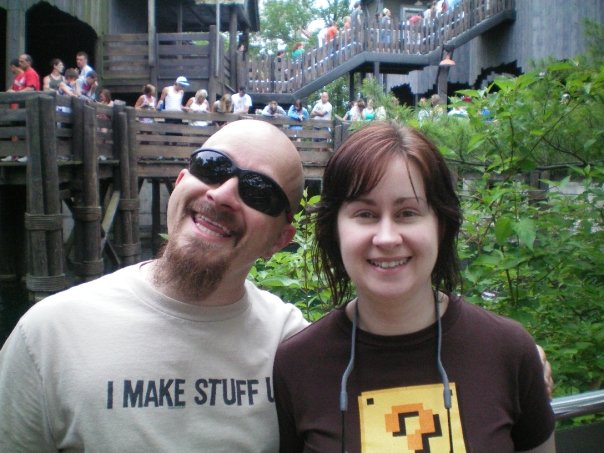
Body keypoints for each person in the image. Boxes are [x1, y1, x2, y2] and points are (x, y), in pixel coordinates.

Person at [0, 120, 310, 452]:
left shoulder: (293, 344)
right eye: (211, 166)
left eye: (258, 191)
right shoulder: (49, 333)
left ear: (279, 240)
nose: (222, 195)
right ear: (180, 182)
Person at [273, 122, 556, 452]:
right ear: (335, 229)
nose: (388, 237)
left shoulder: (509, 351)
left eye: (408, 212)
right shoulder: (298, 365)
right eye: (365, 213)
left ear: (441, 224)